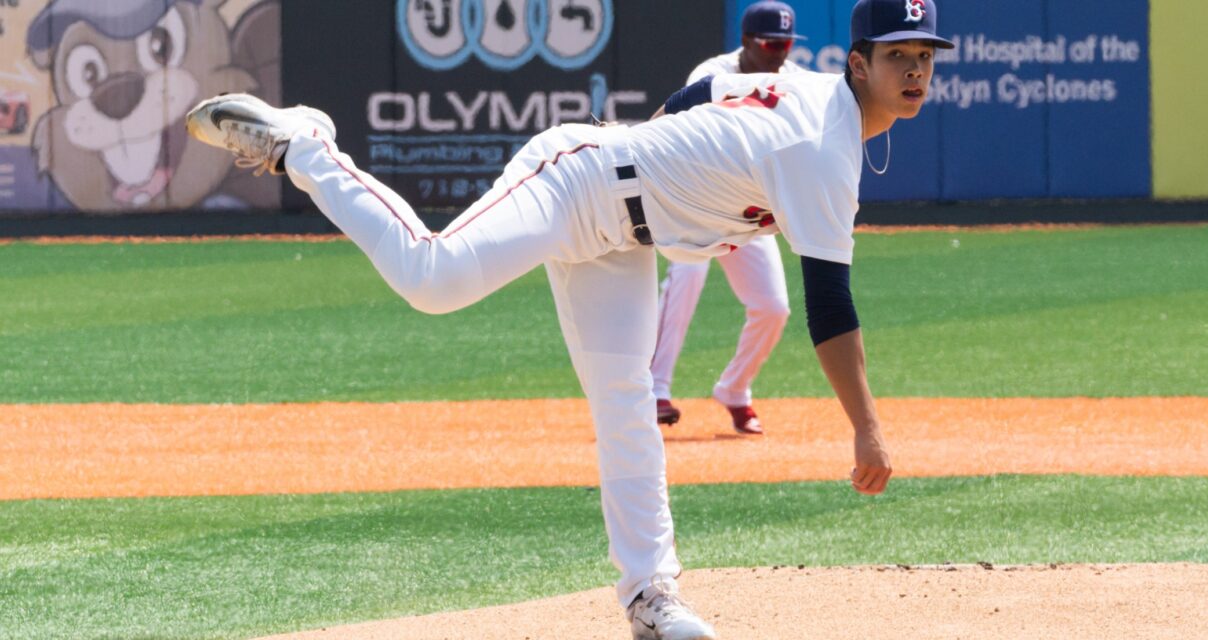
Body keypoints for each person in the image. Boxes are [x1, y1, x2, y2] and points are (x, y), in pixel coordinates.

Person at [184, 0, 953, 637]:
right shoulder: (824, 144)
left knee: (627, 402)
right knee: (433, 277)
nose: (914, 69)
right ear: (860, 64)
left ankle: (652, 598)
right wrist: (867, 427)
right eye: (897, 55)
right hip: (579, 181)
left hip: (625, 231)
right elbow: (829, 304)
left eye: (924, 55)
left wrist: (667, 147)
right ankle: (307, 143)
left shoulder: (807, 94)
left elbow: (697, 99)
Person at [652, 0, 807, 436]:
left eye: (787, 42)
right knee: (686, 277)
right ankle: (655, 389)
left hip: (749, 208)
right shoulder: (711, 75)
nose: (780, 52)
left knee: (773, 308)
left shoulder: (796, 82)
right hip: (699, 200)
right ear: (745, 42)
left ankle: (735, 389)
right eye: (771, 43)